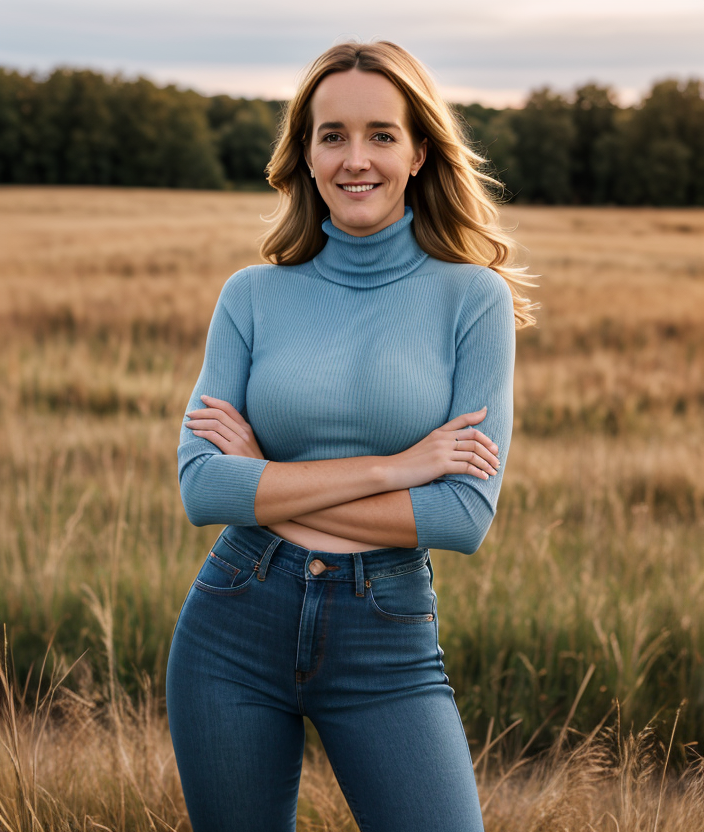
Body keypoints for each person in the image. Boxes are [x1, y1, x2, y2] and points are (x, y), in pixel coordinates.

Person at [166, 39, 537, 832]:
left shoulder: (474, 300)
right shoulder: (252, 297)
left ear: (418, 151)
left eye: (380, 134)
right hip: (233, 622)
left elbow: (460, 517)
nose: (354, 158)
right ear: (305, 153)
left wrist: (264, 480)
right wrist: (398, 468)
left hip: (387, 636)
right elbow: (202, 488)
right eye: (331, 134)